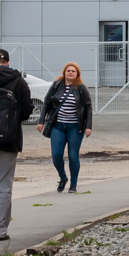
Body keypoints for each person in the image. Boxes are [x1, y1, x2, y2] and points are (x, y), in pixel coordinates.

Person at [0, 49, 33, 242]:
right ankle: (0, 230)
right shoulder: (19, 81)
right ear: (7, 62)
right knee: (4, 186)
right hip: (10, 140)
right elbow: (25, 112)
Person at [37, 62, 93, 194]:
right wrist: (41, 121)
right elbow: (46, 103)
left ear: (77, 74)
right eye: (68, 70)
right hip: (58, 126)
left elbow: (88, 107)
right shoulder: (56, 85)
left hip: (75, 127)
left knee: (73, 156)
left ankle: (73, 184)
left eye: (73, 71)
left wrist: (88, 126)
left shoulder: (81, 88)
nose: (71, 72)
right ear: (64, 72)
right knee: (56, 155)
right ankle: (63, 177)